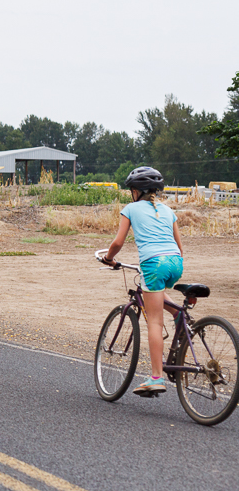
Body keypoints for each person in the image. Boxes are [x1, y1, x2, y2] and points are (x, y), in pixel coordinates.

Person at [102, 166, 183, 396]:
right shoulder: (168, 211)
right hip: (176, 264)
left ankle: (156, 377)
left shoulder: (131, 209)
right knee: (155, 294)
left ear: (136, 191)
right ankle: (178, 315)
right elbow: (179, 246)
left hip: (153, 264)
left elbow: (118, 242)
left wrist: (109, 258)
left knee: (154, 322)